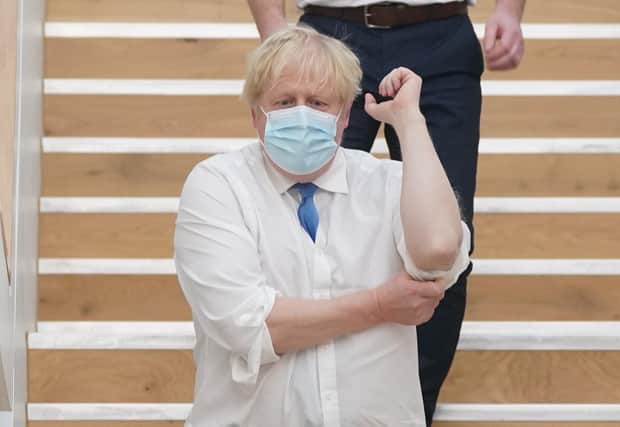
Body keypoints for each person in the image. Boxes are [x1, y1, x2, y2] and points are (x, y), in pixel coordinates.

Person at [174, 26, 470, 426]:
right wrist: (379, 305)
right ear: (254, 115)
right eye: (283, 101)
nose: (301, 114)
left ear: (345, 116)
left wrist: (410, 123)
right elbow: (251, 327)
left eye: (318, 102)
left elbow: (437, 251)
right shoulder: (217, 185)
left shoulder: (391, 185)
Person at [247, 1, 526, 423]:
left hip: (442, 32)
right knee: (302, 228)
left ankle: (413, 413)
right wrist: (272, 27)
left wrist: (509, 8)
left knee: (445, 239)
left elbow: (440, 248)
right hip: (328, 32)